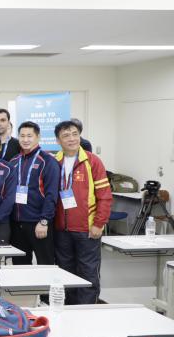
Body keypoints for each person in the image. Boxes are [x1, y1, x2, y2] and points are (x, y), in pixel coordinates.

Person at [53, 120, 112, 304]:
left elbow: (105, 195)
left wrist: (98, 223)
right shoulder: (55, 161)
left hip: (87, 229)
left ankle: (88, 310)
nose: (71, 139)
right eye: (66, 135)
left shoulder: (92, 161)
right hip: (61, 229)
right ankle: (70, 308)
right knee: (65, 271)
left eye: (74, 134)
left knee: (88, 271)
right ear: (58, 140)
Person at [9, 121, 60, 266]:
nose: (25, 140)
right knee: (20, 265)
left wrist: (44, 221)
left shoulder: (47, 161)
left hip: (38, 223)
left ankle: (48, 289)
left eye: (29, 136)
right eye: (22, 136)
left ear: (38, 137)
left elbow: (51, 195)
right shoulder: (14, 161)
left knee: (46, 263)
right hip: (17, 224)